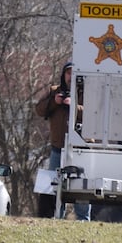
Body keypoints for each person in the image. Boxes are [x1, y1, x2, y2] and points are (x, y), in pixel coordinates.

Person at [34, 61, 90, 219]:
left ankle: (83, 221)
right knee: (55, 186)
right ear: (63, 75)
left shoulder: (89, 92)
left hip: (82, 149)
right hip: (58, 148)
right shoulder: (54, 91)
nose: (71, 76)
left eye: (74, 72)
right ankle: (56, 218)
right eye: (68, 73)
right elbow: (38, 109)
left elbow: (95, 114)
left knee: (82, 189)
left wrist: (75, 106)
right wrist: (54, 102)